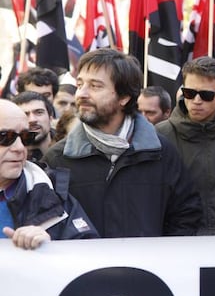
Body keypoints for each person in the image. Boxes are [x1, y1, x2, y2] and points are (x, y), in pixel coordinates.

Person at [42, 48, 201, 238]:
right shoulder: (58, 158)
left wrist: (161, 256)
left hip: (148, 266)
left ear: (124, 97)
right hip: (86, 267)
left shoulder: (160, 152)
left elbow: (185, 214)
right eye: (80, 84)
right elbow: (49, 221)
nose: (82, 94)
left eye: (95, 86)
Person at [156, 56, 215, 235]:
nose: (197, 100)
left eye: (206, 95)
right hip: (179, 244)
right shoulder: (162, 134)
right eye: (189, 93)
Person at [0, 99, 98, 249]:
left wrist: (50, 247)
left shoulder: (53, 192)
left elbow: (90, 253)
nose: (19, 148)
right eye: (5, 137)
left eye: (26, 137)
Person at [13, 91, 55, 162]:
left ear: (50, 118)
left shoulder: (68, 149)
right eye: (25, 114)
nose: (32, 120)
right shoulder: (6, 159)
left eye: (39, 112)